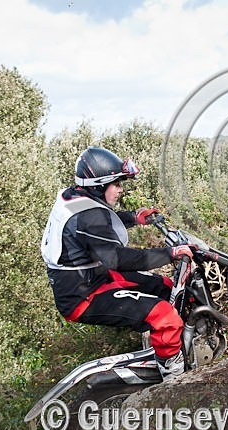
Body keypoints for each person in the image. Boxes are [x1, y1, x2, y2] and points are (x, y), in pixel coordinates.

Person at [41, 146, 193, 380]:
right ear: (99, 186)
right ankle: (174, 377)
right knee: (164, 317)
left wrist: (134, 217)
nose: (121, 189)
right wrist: (169, 253)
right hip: (83, 296)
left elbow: (99, 224)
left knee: (165, 286)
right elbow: (117, 258)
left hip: (90, 278)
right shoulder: (89, 216)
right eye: (116, 184)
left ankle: (171, 343)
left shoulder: (74, 196)